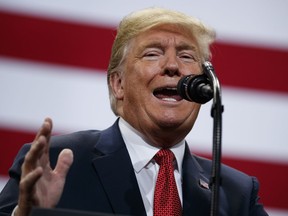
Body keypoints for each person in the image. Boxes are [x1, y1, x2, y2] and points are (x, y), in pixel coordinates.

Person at [0, 7, 268, 216]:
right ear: (118, 84)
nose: (173, 66)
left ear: (202, 86)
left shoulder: (236, 193)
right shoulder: (58, 162)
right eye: (152, 54)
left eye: (187, 56)